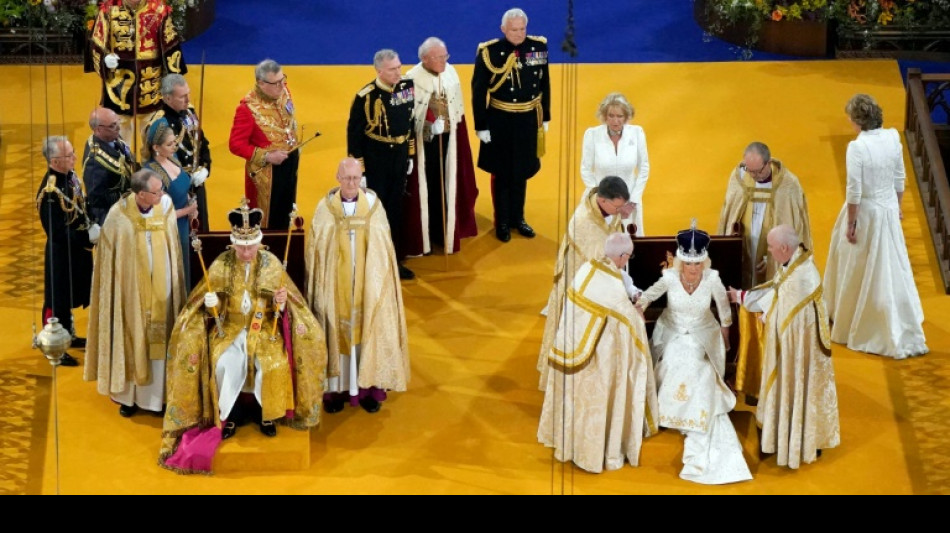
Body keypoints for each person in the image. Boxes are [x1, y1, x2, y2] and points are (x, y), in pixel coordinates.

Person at [160, 199, 327, 474]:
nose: (247, 252)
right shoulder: (222, 264)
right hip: (230, 330)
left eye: (251, 246)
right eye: (241, 247)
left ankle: (267, 416)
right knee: (226, 363)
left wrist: (282, 303)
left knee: (271, 364)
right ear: (233, 244)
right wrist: (212, 303)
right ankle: (231, 414)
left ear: (259, 243)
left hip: (265, 331)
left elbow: (290, 304)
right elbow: (204, 304)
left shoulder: (272, 263)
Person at [635, 222, 752, 485]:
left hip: (703, 335)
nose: (694, 269)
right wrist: (637, 309)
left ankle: (695, 416)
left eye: (698, 264)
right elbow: (648, 297)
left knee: (699, 368)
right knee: (676, 360)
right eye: (689, 264)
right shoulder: (669, 278)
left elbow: (724, 311)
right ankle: (670, 412)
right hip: (673, 333)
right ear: (680, 263)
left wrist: (725, 342)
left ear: (704, 262)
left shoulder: (713, 279)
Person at [538, 232, 658, 473]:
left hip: (572, 352)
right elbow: (631, 324)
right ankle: (601, 452)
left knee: (578, 405)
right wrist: (638, 313)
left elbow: (625, 285)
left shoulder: (588, 269)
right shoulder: (612, 288)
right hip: (597, 362)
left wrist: (634, 294)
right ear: (623, 256)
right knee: (597, 403)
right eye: (629, 256)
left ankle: (568, 443)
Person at [823, 93, 928, 359]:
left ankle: (856, 320)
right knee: (891, 265)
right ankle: (895, 315)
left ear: (857, 120)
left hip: (867, 213)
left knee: (856, 264)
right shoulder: (893, 137)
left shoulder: (857, 147)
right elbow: (900, 177)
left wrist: (851, 223)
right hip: (888, 209)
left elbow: (854, 190)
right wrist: (898, 206)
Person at [729, 225, 841, 469]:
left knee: (794, 383)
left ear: (784, 247)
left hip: (797, 348)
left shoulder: (802, 277)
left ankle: (796, 437)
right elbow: (776, 290)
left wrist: (761, 312)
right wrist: (744, 297)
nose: (768, 251)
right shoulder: (795, 261)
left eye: (771, 247)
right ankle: (784, 428)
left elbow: (784, 309)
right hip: (796, 340)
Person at [304, 158, 410, 415]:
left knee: (367, 331)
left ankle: (367, 389)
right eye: (346, 178)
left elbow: (383, 248)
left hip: (366, 287)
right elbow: (316, 251)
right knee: (335, 331)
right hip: (335, 288)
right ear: (337, 178)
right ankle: (335, 391)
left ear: (361, 178)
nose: (351, 183)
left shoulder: (373, 207)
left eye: (355, 178)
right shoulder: (325, 208)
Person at [84, 169, 186, 418]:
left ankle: (158, 398)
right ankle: (128, 397)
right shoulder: (119, 215)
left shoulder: (166, 206)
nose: (162, 193)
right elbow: (109, 263)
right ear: (141, 194)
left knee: (161, 336)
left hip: (163, 290)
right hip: (130, 293)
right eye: (156, 191)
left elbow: (173, 246)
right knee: (131, 335)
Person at [537, 176, 633, 389]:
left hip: (598, 276)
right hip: (579, 282)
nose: (620, 210)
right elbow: (602, 257)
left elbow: (612, 233)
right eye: (618, 206)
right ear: (603, 200)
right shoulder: (582, 222)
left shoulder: (608, 210)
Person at [472, 8, 551, 243]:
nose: (519, 34)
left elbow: (544, 83)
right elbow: (478, 91)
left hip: (527, 119)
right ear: (503, 29)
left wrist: (544, 116)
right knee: (503, 173)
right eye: (514, 29)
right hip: (500, 119)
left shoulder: (538, 47)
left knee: (522, 171)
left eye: (522, 29)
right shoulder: (489, 52)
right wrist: (481, 125)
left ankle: (519, 218)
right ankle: (503, 221)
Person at [347, 49, 417, 280]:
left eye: (399, 66)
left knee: (396, 210)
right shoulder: (365, 97)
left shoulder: (407, 87)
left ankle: (394, 259)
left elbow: (410, 122)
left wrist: (409, 155)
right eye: (392, 69)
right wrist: (360, 169)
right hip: (376, 160)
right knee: (376, 212)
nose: (398, 72)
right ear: (379, 70)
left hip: (398, 158)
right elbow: (354, 135)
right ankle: (373, 260)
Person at [405, 37, 479, 255]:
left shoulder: (451, 72)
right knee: (429, 190)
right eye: (438, 57)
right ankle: (426, 236)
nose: (443, 61)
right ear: (424, 59)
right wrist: (428, 128)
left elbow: (457, 109)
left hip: (450, 142)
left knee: (450, 186)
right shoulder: (411, 80)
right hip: (425, 149)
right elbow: (410, 119)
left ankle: (448, 231)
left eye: (445, 56)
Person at [86, 0, 187, 147]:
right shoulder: (108, 11)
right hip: (118, 87)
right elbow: (97, 43)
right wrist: (104, 60)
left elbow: (171, 46)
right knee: (119, 139)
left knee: (154, 139)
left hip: (151, 86)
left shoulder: (159, 11)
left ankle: (152, 168)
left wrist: (174, 83)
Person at [36, 136, 99, 367]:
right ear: (54, 161)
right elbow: (57, 232)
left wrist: (91, 223)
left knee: (72, 294)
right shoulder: (51, 192)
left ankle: (69, 335)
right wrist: (86, 236)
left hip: (78, 251)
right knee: (57, 299)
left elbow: (81, 204)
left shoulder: (70, 176)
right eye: (68, 156)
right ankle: (53, 344)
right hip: (62, 254)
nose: (74, 158)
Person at [717, 142, 812, 290]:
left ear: (768, 163)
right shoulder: (739, 178)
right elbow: (728, 216)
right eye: (750, 171)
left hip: (771, 252)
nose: (754, 176)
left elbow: (796, 228)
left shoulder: (787, 185)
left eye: (758, 171)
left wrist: (776, 257)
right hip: (744, 246)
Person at [229, 59, 299, 230]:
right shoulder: (247, 109)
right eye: (276, 83)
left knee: (286, 209)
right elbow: (235, 144)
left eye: (283, 80)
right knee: (269, 220)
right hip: (267, 173)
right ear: (261, 83)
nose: (282, 86)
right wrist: (266, 155)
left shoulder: (282, 89)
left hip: (289, 162)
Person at [144, 74, 212, 232]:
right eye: (182, 96)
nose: (188, 99)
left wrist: (205, 168)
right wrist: (186, 177)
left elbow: (202, 142)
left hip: (197, 183)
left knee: (201, 231)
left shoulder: (189, 113)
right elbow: (158, 160)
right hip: (176, 188)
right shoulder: (159, 123)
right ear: (167, 98)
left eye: (188, 93)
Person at [580, 93, 649, 235]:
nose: (615, 121)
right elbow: (585, 169)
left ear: (626, 117)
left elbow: (644, 168)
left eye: (620, 116)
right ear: (604, 116)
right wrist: (600, 199)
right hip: (600, 201)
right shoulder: (592, 135)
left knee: (630, 248)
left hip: (629, 202)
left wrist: (633, 202)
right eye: (611, 115)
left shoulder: (637, 133)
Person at [142, 119, 199, 288]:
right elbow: (160, 213)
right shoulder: (151, 173)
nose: (174, 147)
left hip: (185, 223)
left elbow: (184, 188)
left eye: (175, 142)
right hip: (170, 229)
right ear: (156, 148)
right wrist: (189, 210)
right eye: (169, 144)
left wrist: (191, 203)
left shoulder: (173, 159)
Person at [82, 107, 135, 226]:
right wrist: (130, 194)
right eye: (112, 125)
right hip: (112, 218)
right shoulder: (94, 162)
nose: (118, 128)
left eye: (118, 122)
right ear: (98, 129)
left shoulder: (112, 137)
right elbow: (97, 199)